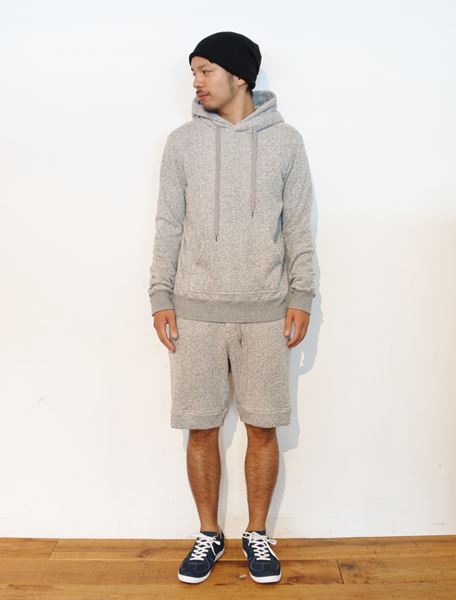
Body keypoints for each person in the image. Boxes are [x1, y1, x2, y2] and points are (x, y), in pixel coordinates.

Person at [148, 31, 316, 585]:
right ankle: (208, 533)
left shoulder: (286, 142)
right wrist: (160, 294)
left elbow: (299, 226)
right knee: (200, 428)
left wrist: (302, 294)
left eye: (205, 70)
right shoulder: (182, 144)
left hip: (267, 312)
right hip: (194, 312)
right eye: (193, 72)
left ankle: (257, 533)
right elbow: (168, 223)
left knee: (263, 427)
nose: (196, 82)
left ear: (238, 75)